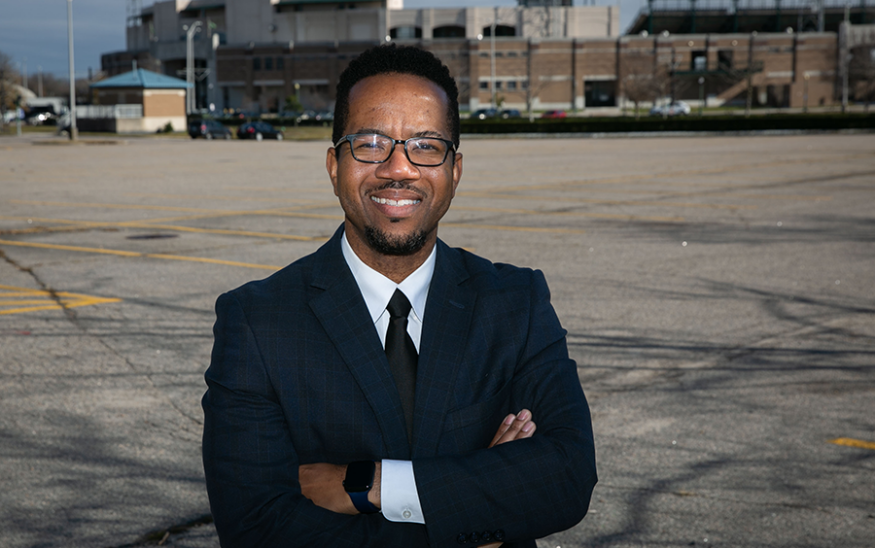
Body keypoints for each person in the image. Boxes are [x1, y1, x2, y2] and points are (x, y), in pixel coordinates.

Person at [202, 44, 597, 548]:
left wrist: (373, 486)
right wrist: (479, 504)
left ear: (454, 171)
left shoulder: (515, 303)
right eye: (370, 143)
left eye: (427, 146)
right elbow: (256, 527)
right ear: (333, 165)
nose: (398, 168)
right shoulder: (256, 321)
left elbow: (565, 477)